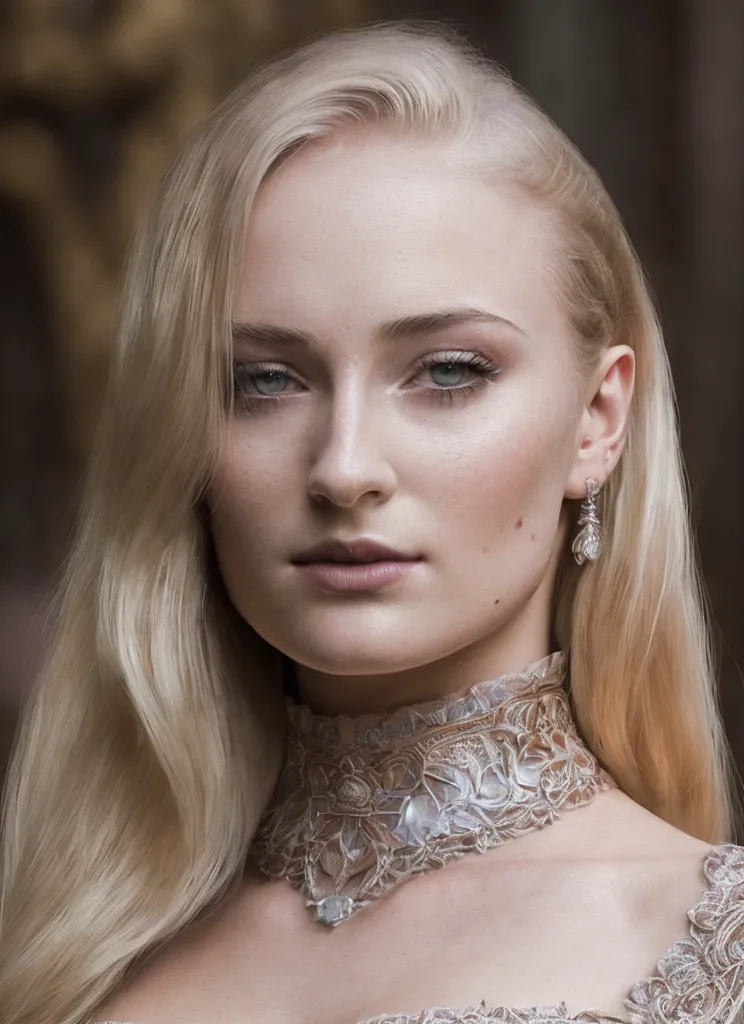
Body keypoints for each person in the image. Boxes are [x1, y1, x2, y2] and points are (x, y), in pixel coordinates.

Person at [1, 18, 742, 1024]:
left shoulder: (714, 941)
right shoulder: (68, 945)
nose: (344, 467)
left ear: (596, 420)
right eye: (265, 381)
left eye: (448, 372)